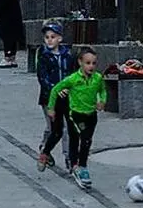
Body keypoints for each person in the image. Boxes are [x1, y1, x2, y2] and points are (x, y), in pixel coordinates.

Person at [45, 47, 107, 189]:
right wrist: (51, 108)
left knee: (87, 140)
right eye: (88, 63)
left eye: (94, 63)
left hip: (91, 114)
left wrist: (102, 101)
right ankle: (80, 166)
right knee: (80, 138)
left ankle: (78, 165)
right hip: (75, 115)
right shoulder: (73, 79)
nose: (91, 66)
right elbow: (56, 90)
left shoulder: (97, 78)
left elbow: (102, 90)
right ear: (80, 62)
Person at [36, 22, 74, 172]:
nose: (49, 40)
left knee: (66, 128)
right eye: (47, 37)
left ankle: (69, 156)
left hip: (66, 98)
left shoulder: (67, 56)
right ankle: (45, 148)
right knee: (53, 127)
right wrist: (55, 90)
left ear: (60, 38)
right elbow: (42, 78)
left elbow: (72, 75)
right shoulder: (44, 56)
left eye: (53, 37)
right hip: (48, 99)